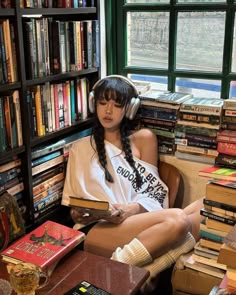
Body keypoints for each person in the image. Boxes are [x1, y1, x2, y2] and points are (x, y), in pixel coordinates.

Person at [62, 75, 204, 285]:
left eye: (117, 105)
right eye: (102, 103)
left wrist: (131, 209)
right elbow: (75, 206)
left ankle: (131, 273)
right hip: (97, 229)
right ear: (94, 104)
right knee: (178, 220)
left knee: (208, 207)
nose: (108, 111)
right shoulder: (80, 148)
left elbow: (153, 193)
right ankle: (134, 275)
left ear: (129, 109)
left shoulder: (144, 139)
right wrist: (80, 213)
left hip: (134, 220)